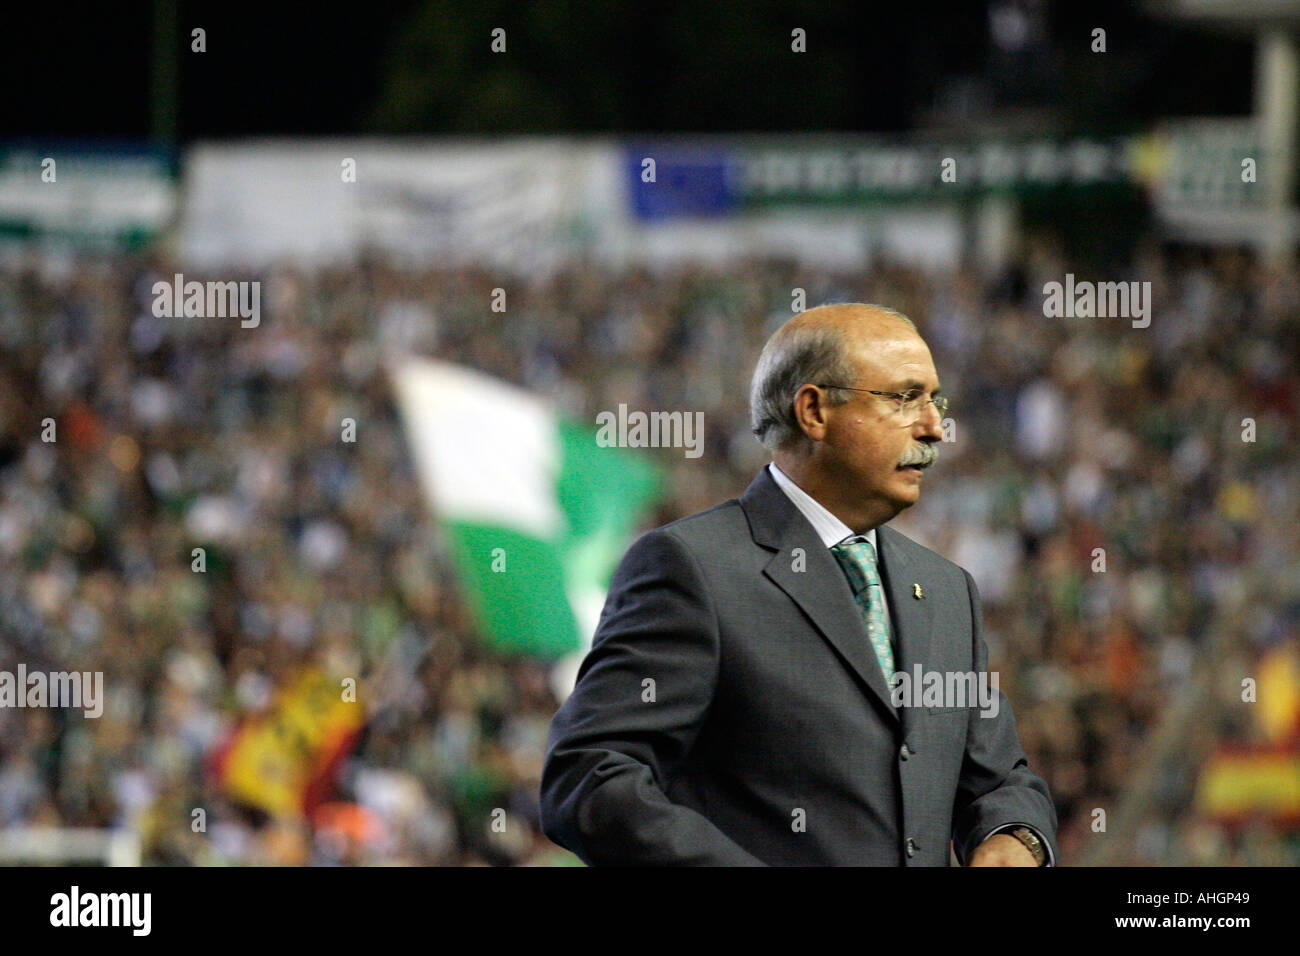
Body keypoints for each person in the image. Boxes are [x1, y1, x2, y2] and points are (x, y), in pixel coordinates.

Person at [539, 303, 1058, 866]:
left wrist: (1014, 835)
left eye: (935, 400)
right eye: (905, 398)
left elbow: (1001, 778)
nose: (934, 426)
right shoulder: (692, 568)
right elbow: (588, 774)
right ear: (813, 411)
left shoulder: (946, 589)